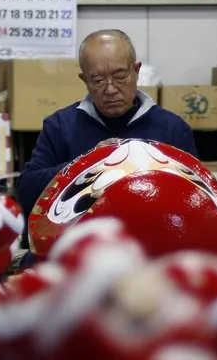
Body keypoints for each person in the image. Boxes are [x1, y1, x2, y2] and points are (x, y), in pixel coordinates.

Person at [16, 29, 198, 235]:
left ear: (136, 71)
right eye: (98, 80)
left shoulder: (172, 128)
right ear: (84, 80)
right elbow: (27, 192)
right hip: (79, 245)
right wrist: (87, 164)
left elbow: (198, 198)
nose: (110, 89)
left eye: (120, 76)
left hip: (153, 242)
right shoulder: (60, 126)